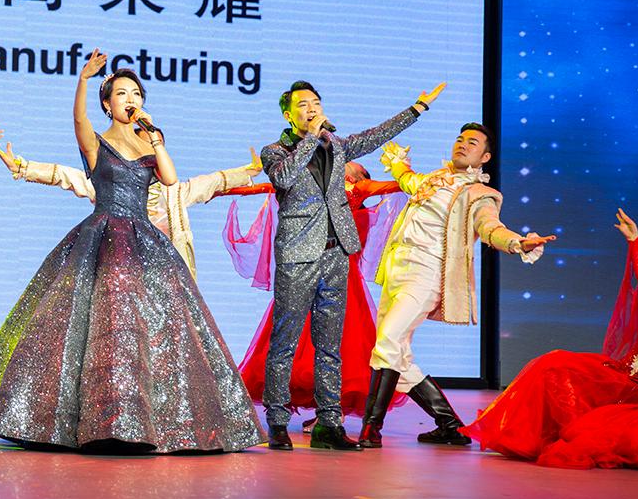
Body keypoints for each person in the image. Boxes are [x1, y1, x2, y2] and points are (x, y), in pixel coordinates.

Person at [0, 52, 264, 453]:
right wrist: (84, 80)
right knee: (104, 326)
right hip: (103, 238)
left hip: (145, 244)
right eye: (122, 93)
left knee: (154, 329)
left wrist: (156, 139)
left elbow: (170, 178)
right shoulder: (97, 144)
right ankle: (103, 421)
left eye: (136, 93)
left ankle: (144, 422)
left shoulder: (149, 143)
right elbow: (78, 123)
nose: (130, 99)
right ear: (107, 103)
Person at [463, 210, 638, 471]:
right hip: (617, 378)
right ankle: (518, 437)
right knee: (551, 364)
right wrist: (634, 240)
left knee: (589, 439)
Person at [259, 79, 444, 451]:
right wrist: (311, 138)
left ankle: (329, 424)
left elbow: (375, 136)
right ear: (288, 115)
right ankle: (277, 421)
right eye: (303, 105)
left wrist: (416, 109)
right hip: (298, 255)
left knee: (330, 346)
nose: (312, 109)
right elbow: (284, 177)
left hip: (336, 253)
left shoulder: (336, 146)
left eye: (316, 103)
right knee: (285, 342)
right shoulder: (275, 151)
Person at [358, 124, 553, 449]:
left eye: (472, 142)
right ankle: (449, 425)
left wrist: (518, 243)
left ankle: (370, 429)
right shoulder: (435, 179)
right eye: (460, 139)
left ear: (485, 157)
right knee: (398, 355)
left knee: (389, 341)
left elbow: (491, 227)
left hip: (426, 274)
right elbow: (408, 180)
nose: (463, 144)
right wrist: (397, 164)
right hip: (397, 270)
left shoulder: (480, 195)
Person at [223, 162, 406, 420]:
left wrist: (417, 175)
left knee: (340, 339)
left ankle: (330, 412)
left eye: (351, 163)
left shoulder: (359, 188)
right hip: (306, 268)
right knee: (297, 337)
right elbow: (269, 187)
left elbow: (399, 184)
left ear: (359, 175)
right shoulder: (316, 185)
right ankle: (308, 407)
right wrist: (225, 189)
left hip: (340, 275)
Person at [0, 138, 261, 275]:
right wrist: (23, 167)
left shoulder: (176, 191)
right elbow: (67, 176)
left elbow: (215, 181)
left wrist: (249, 171)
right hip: (123, 267)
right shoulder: (112, 185)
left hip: (167, 270)